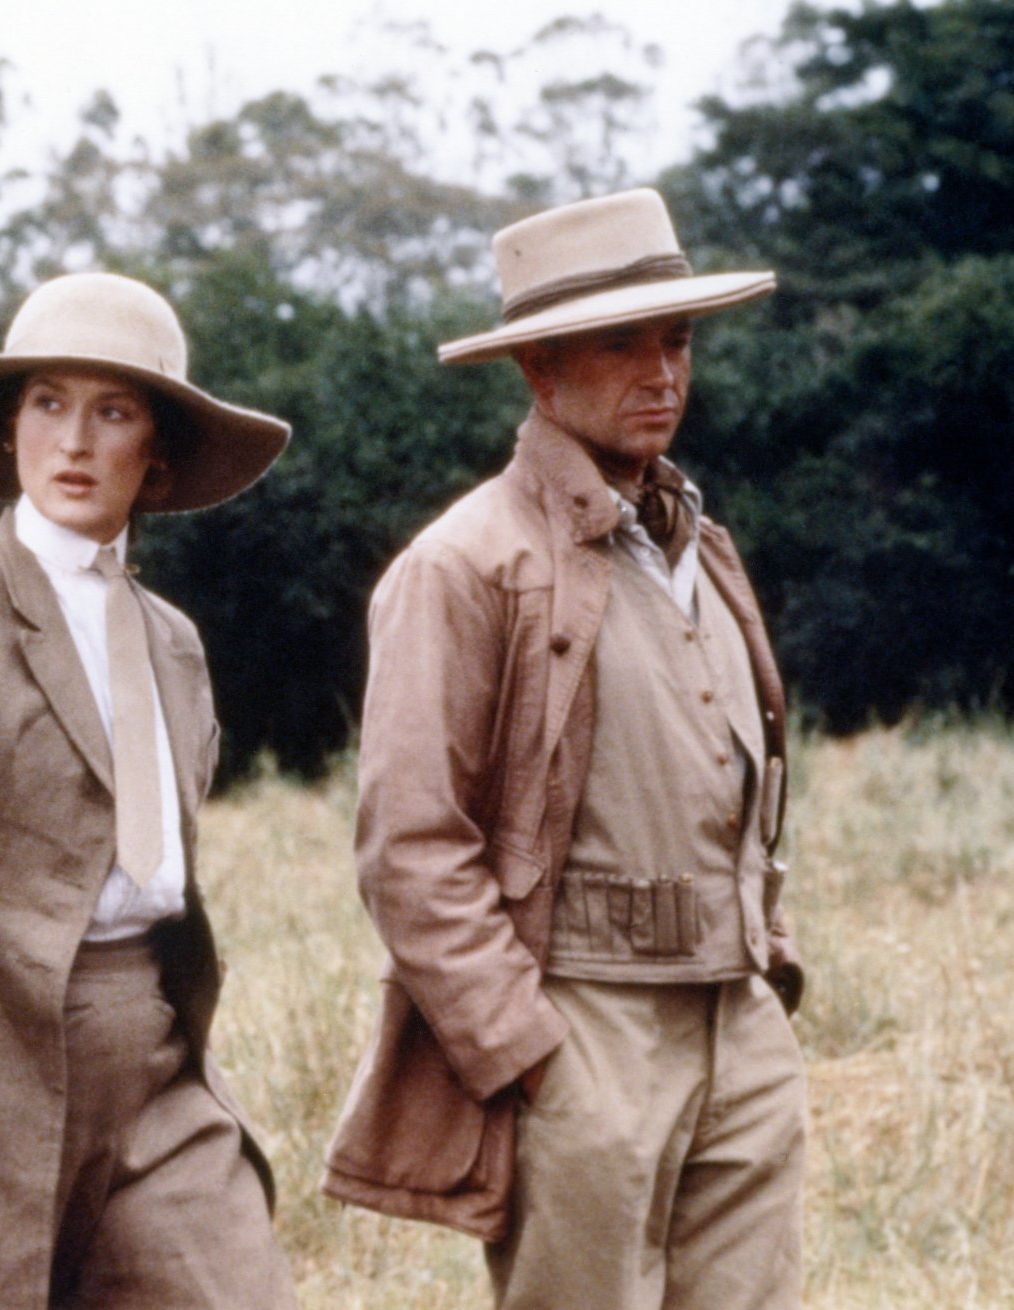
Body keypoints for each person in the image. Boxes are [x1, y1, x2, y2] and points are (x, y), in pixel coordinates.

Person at [322, 188, 807, 1309]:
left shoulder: (698, 542)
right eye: (618, 341)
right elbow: (407, 846)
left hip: (735, 1015)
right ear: (537, 367)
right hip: (580, 1021)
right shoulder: (464, 562)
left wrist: (765, 961)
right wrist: (525, 1049)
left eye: (675, 338)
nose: (660, 371)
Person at [0, 272, 300, 1308]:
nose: (74, 440)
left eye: (112, 410)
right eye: (47, 403)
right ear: (7, 428)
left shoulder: (172, 642)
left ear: (156, 449)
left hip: (155, 1070)